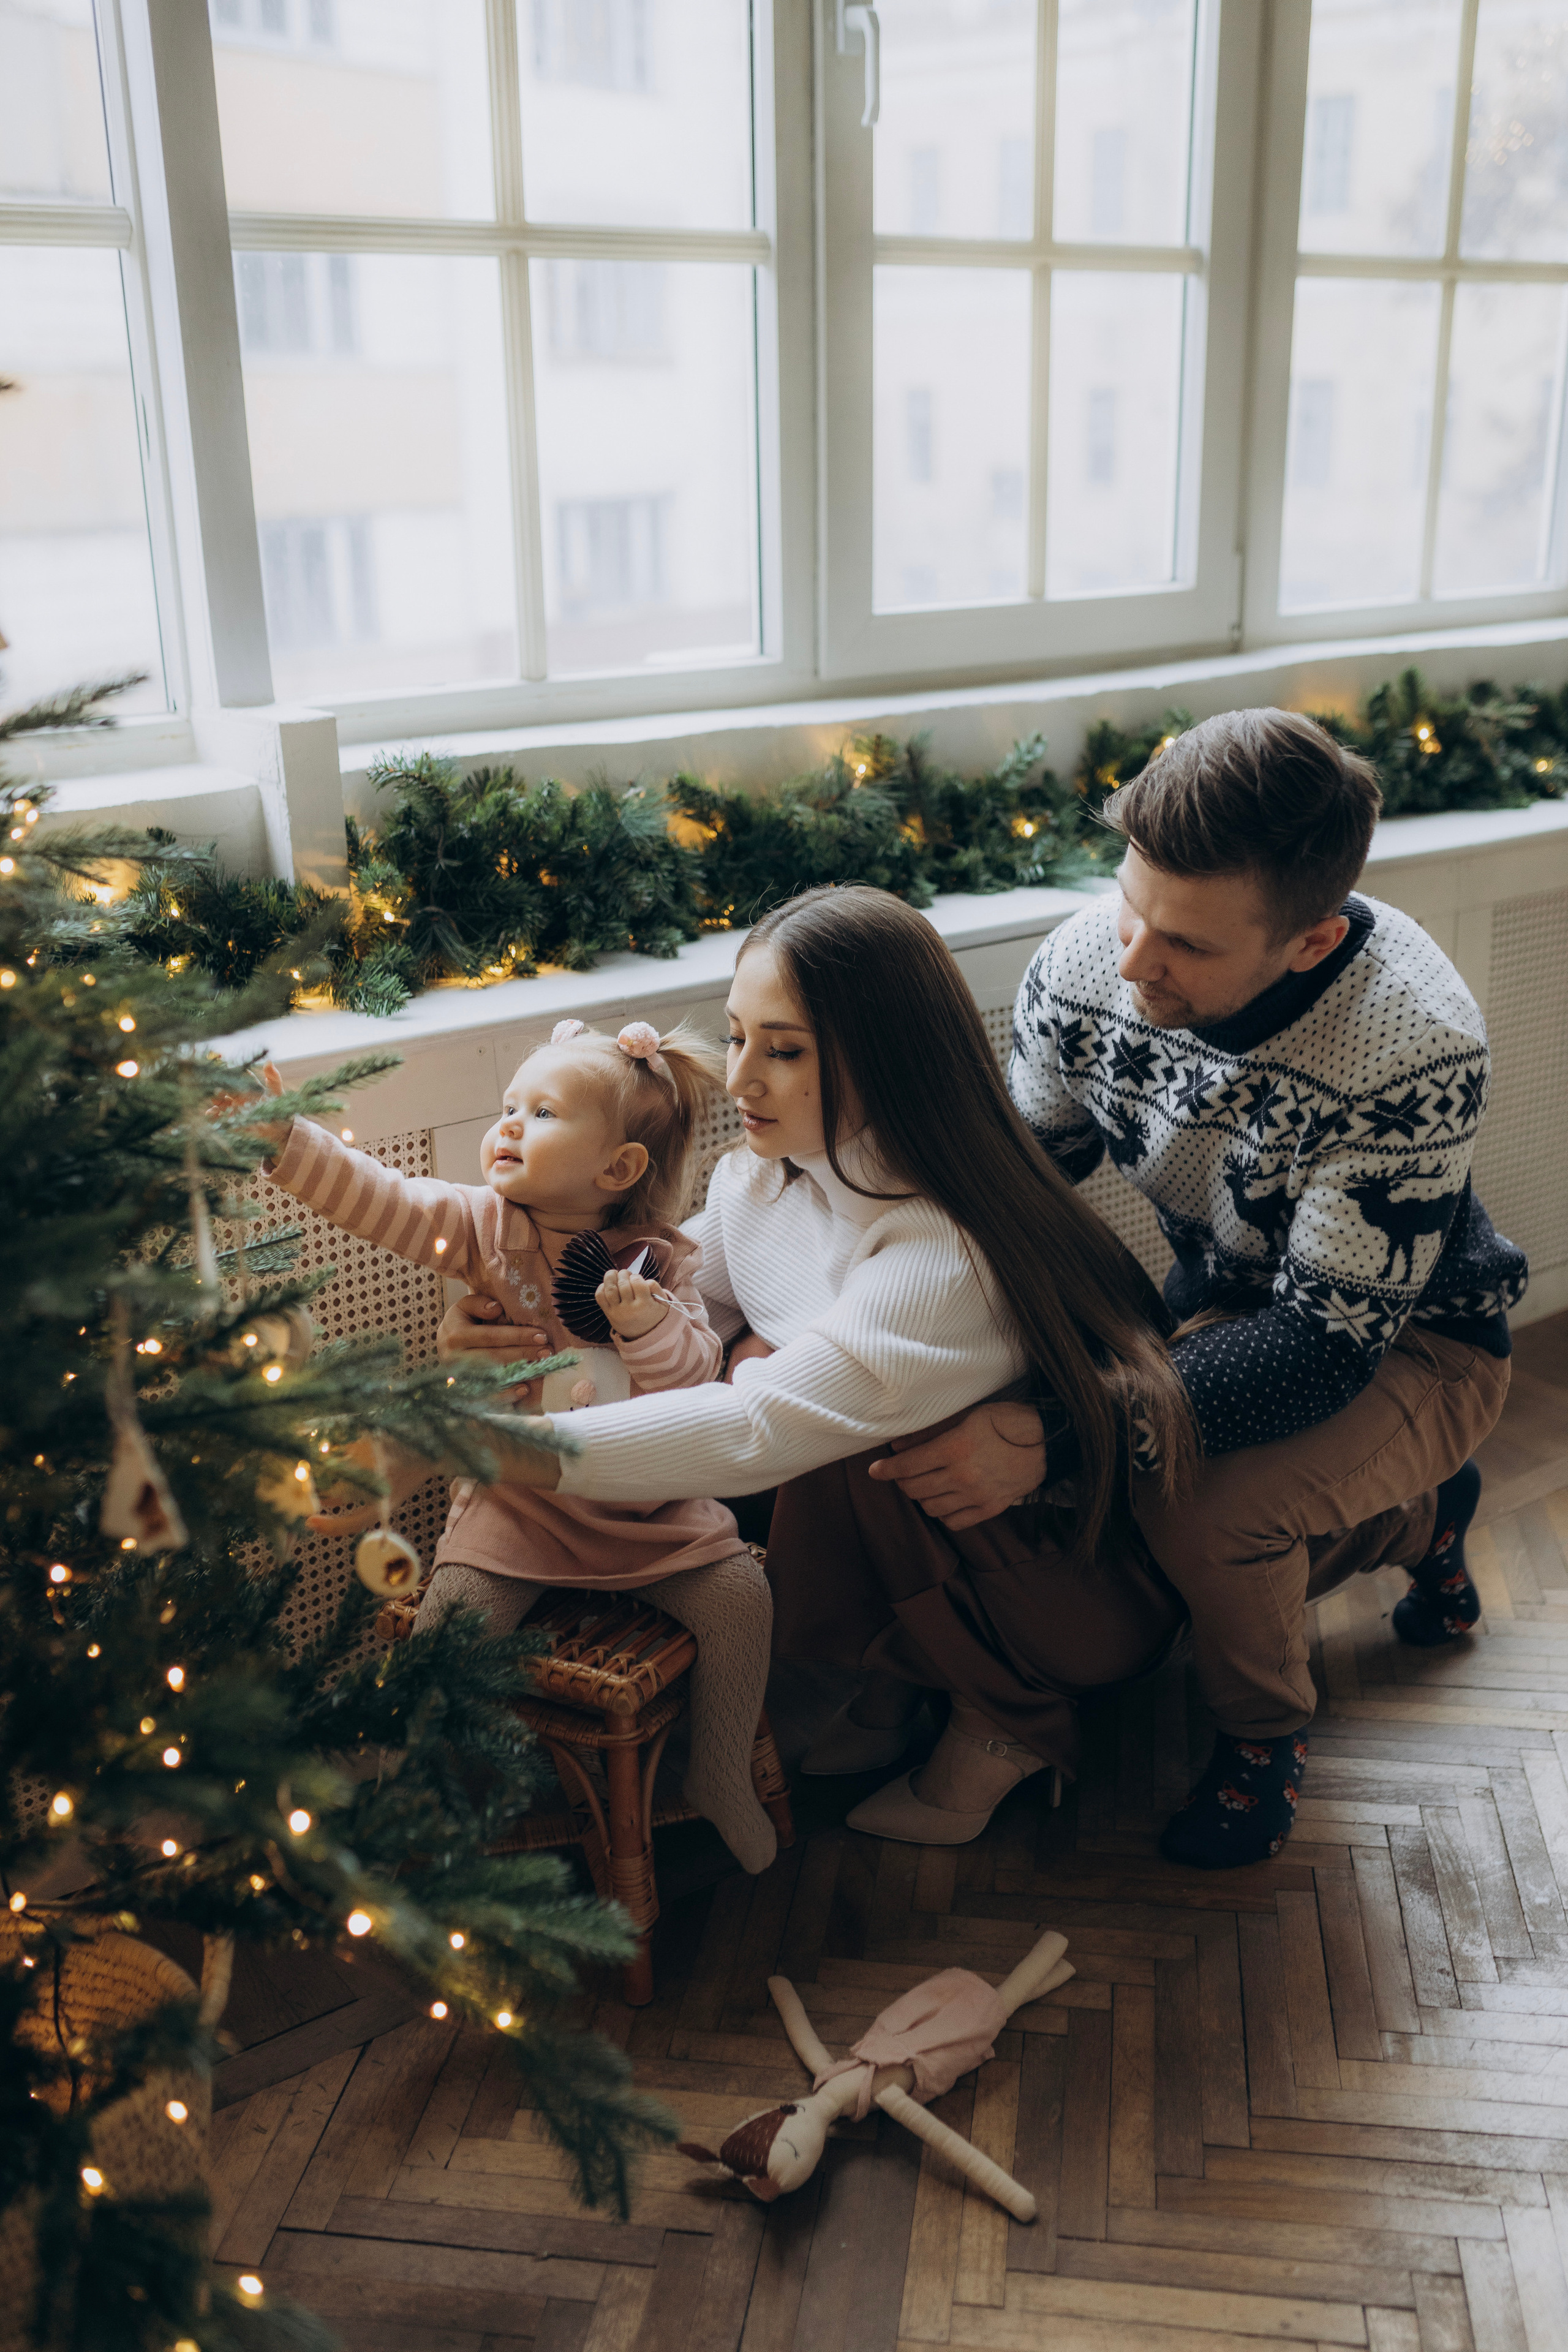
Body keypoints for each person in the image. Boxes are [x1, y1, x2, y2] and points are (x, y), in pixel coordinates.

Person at [872, 709, 1526, 1865]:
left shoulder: (1413, 1043)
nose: (1131, 962)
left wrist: (1058, 1429)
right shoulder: (1087, 961)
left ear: (1312, 943)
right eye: (1133, 904)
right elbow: (1014, 1191)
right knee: (1128, 1468)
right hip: (1222, 1301)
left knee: (1205, 1511)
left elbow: (1320, 1349)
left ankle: (1264, 1739)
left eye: (1186, 944)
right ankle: (1419, 1520)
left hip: (1413, 1342)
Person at [437, 884, 1201, 1845]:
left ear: (887, 1062)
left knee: (833, 1410)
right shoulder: (764, 1175)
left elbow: (758, 1428)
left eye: (785, 1050)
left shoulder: (942, 1254)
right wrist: (500, 1329)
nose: (741, 1079)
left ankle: (1006, 1718)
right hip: (938, 1541)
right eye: (737, 1037)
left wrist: (511, 1446)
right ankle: (891, 1681)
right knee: (757, 1357)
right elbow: (636, 1308)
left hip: (1071, 1587)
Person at [257, 1017, 780, 1874]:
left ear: (617, 1169)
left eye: (541, 1113)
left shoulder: (661, 1260)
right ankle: (409, 1789)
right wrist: (286, 1143)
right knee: (447, 1628)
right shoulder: (482, 1228)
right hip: (517, 1507)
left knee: (741, 1597)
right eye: (508, 1105)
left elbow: (695, 1385)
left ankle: (720, 1775)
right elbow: (382, 1196)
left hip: (650, 1511)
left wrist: (646, 1329)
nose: (506, 1125)